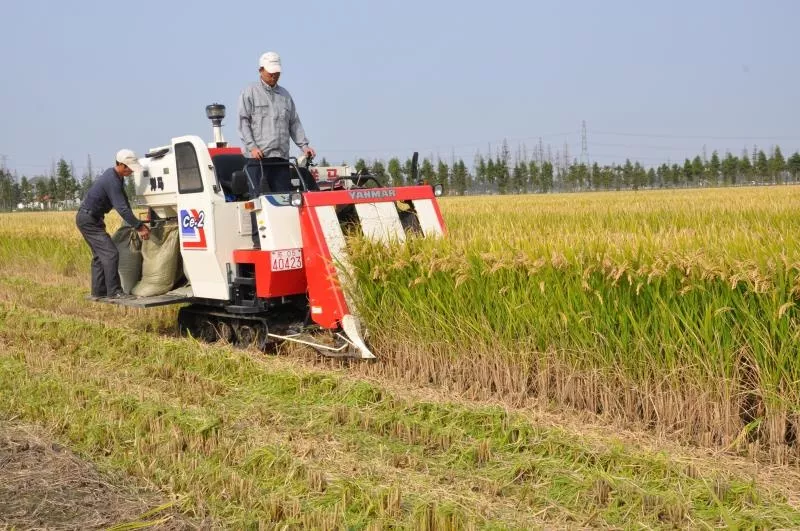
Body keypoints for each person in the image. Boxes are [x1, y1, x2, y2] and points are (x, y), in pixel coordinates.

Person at [238, 51, 316, 195]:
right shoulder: (250, 92)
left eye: (277, 73)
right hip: (258, 160)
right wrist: (252, 147)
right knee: (260, 202)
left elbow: (294, 123)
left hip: (281, 159)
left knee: (285, 200)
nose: (274, 76)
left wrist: (304, 146)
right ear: (260, 70)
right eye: (270, 72)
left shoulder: (285, 95)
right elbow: (244, 122)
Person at [76, 149, 150, 300]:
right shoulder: (112, 180)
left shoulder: (116, 178)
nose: (131, 171)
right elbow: (121, 208)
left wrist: (135, 222)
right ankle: (114, 291)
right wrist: (139, 227)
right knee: (111, 253)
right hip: (89, 220)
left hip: (91, 219)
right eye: (130, 168)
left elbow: (124, 203)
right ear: (122, 165)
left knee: (99, 256)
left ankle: (98, 291)